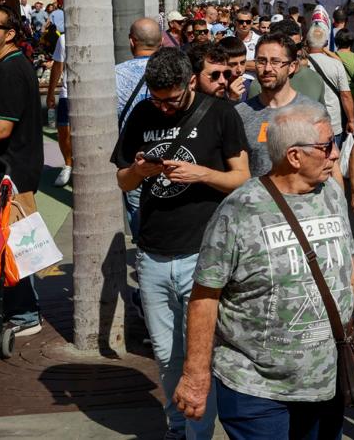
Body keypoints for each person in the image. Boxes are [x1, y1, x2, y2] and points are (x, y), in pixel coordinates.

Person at [173, 102, 354, 438]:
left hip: (326, 382)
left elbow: (346, 260)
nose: (335, 155)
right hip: (256, 389)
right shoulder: (240, 211)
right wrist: (195, 375)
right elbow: (205, 295)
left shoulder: (331, 192)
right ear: (294, 156)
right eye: (327, 145)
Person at [113, 48, 250, 440]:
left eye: (171, 99)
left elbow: (242, 178)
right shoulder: (143, 114)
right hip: (153, 253)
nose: (164, 107)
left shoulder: (220, 113)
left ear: (191, 81)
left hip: (203, 255)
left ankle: (197, 434)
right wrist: (138, 171)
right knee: (165, 353)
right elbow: (123, 181)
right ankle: (179, 427)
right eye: (158, 99)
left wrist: (201, 173)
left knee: (198, 355)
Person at [0, 2, 44, 336]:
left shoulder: (10, 70)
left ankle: (24, 313)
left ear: (9, 34)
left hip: (10, 171)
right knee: (8, 240)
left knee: (11, 241)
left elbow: (0, 128)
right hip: (8, 169)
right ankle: (19, 309)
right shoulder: (3, 65)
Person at [235, 33, 325, 178]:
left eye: (276, 62)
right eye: (261, 61)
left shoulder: (314, 112)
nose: (267, 68)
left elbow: (331, 166)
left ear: (292, 67)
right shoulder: (240, 114)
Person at [115, 17, 162, 241]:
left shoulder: (116, 75)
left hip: (133, 157)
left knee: (137, 212)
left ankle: (144, 253)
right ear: (161, 42)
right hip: (168, 154)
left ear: (131, 42)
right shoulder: (171, 72)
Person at [304, 25, 354, 144]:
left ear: (306, 42)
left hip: (306, 121)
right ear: (326, 43)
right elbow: (345, 95)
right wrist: (351, 120)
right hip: (332, 121)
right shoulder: (336, 64)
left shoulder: (299, 64)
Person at [46, 34, 73, 187]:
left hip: (94, 93)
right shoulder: (63, 38)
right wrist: (50, 93)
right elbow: (58, 65)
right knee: (63, 131)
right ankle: (68, 165)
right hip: (67, 92)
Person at [216, 36, 252, 102]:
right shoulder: (214, 89)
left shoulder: (251, 86)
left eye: (242, 63)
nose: (239, 70)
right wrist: (232, 99)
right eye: (233, 64)